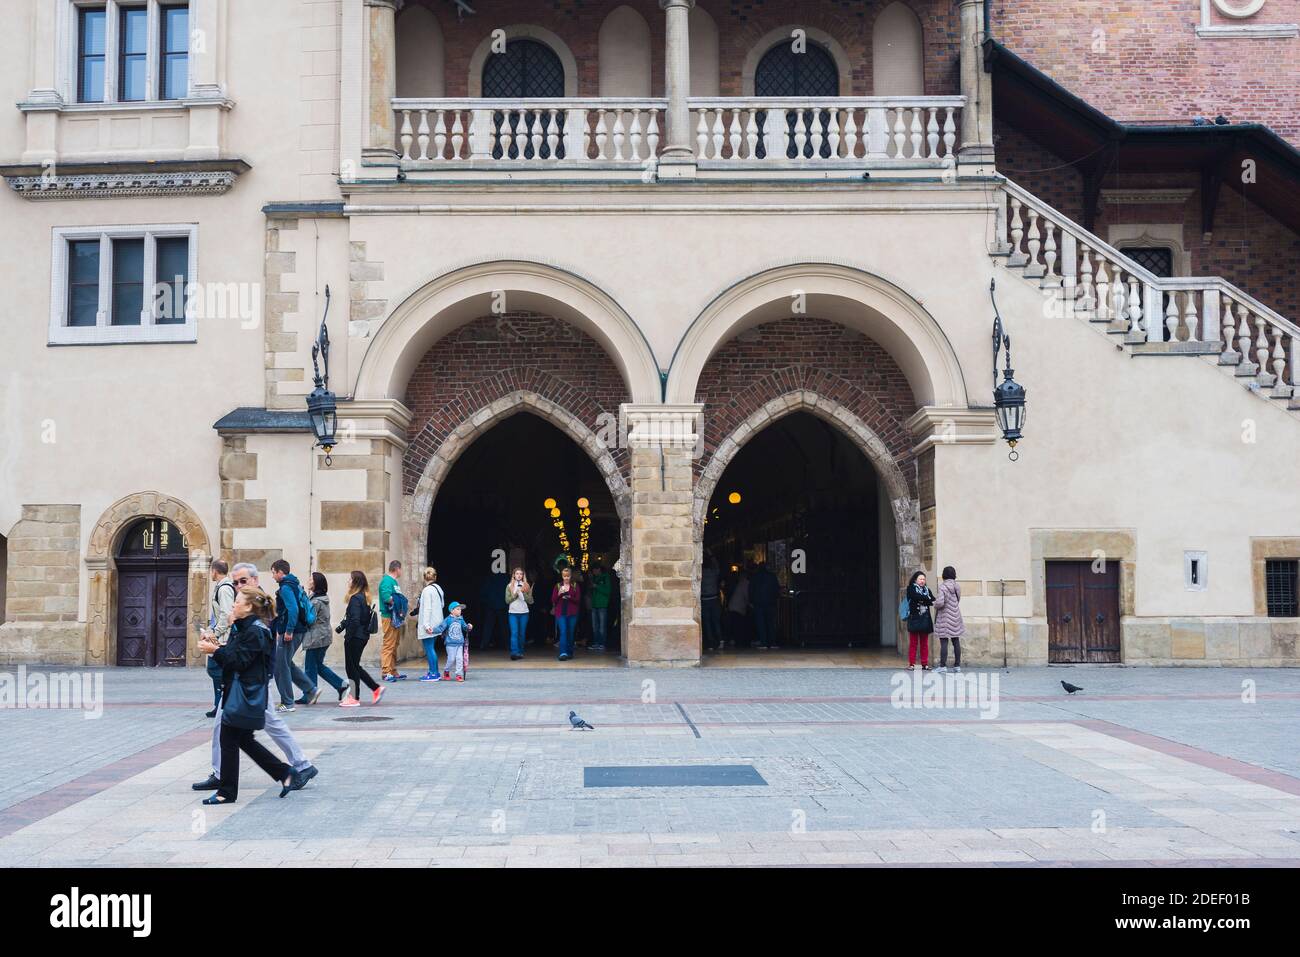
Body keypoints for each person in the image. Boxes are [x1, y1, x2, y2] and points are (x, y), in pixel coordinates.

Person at [191, 563, 316, 795]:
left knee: (248, 730)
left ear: (255, 581)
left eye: (242, 581)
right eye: (235, 582)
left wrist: (217, 648)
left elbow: (248, 653)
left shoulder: (257, 613)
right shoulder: (246, 613)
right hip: (241, 683)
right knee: (232, 730)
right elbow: (241, 650)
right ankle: (225, 776)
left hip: (250, 684)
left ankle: (297, 767)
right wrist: (219, 642)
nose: (237, 586)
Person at [270, 559, 315, 711]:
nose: (272, 576)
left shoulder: (286, 588)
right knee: (286, 663)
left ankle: (288, 703)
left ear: (280, 572)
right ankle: (310, 690)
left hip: (292, 632)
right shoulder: (294, 584)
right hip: (298, 630)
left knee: (280, 666)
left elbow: (293, 609)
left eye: (273, 572)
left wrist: (288, 630)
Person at [338, 570, 384, 707]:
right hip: (361, 636)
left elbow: (355, 620)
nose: (348, 582)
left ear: (355, 582)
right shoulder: (364, 597)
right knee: (355, 666)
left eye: (350, 579)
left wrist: (348, 636)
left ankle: (354, 697)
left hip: (355, 637)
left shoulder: (355, 598)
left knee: (351, 667)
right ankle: (375, 688)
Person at [300, 572, 348, 701]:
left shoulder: (316, 601)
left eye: (311, 579)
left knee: (310, 667)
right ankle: (341, 686)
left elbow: (310, 620)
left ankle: (309, 694)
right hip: (322, 636)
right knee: (318, 666)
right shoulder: (319, 598)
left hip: (316, 638)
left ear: (316, 583)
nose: (308, 580)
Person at [204, 560, 236, 717]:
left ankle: (222, 704)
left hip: (224, 637)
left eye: (211, 571)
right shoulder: (221, 587)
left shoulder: (224, 589)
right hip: (220, 634)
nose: (211, 574)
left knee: (215, 669)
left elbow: (225, 614)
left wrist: (215, 633)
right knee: (215, 669)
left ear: (215, 571)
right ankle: (220, 704)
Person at [378, 560, 407, 681]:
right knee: (389, 644)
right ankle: (386, 672)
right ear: (397, 569)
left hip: (395, 617)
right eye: (401, 569)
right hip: (389, 616)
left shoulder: (394, 582)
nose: (401, 571)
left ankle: (393, 670)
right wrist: (398, 603)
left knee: (395, 644)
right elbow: (386, 597)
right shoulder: (386, 581)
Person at [933, 565, 964, 674]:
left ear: (944, 575)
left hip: (944, 617)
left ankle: (942, 666)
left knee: (944, 641)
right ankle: (957, 665)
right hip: (955, 616)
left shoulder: (943, 587)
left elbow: (940, 603)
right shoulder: (957, 586)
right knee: (956, 640)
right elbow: (958, 599)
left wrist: (934, 604)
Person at [417, 566, 446, 681]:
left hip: (429, 623)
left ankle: (433, 673)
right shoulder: (439, 589)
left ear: (424, 578)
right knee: (431, 647)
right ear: (435, 577)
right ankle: (434, 671)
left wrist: (426, 625)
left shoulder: (427, 590)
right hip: (437, 622)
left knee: (429, 648)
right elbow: (442, 605)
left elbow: (427, 609)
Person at [904, 570, 936, 671]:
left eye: (923, 579)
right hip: (914, 618)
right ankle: (911, 664)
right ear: (915, 580)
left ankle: (924, 664)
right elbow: (914, 597)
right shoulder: (911, 588)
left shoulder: (927, 589)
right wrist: (926, 598)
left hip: (925, 619)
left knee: (924, 643)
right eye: (920, 579)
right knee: (913, 643)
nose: (922, 581)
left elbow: (932, 600)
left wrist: (924, 599)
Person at [551, 566, 581, 661]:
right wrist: (559, 594)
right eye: (564, 576)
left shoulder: (575, 586)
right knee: (563, 631)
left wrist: (569, 597)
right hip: (560, 613)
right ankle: (563, 653)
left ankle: (569, 652)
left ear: (571, 576)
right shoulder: (558, 586)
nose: (566, 578)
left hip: (572, 613)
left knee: (570, 633)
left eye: (568, 576)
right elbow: (553, 600)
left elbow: (578, 599)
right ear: (562, 576)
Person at [749, 562, 780, 650]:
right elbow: (776, 589)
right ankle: (772, 642)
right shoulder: (772, 576)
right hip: (770, 602)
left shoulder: (755, 577)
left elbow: (751, 590)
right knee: (770, 623)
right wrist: (775, 598)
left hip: (758, 603)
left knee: (761, 624)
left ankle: (764, 643)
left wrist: (751, 601)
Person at [505, 567, 533, 661]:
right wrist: (516, 594)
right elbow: (507, 600)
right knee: (514, 633)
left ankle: (520, 652)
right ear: (514, 575)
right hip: (513, 613)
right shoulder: (509, 586)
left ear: (523, 575)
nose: (519, 575)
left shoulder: (526, 585)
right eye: (517, 574)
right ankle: (514, 653)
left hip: (524, 613)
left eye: (521, 574)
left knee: (522, 633)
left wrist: (523, 593)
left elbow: (531, 600)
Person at [478, 569, 509, 651]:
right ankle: (507, 644)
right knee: (504, 626)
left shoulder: (490, 578)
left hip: (491, 604)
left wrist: (486, 600)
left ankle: (484, 644)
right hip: (501, 604)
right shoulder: (505, 577)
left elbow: (484, 591)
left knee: (489, 626)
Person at [442, 601, 472, 681]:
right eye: (458, 609)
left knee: (459, 659)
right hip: (450, 643)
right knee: (451, 659)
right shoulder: (448, 620)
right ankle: (446, 671)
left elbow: (465, 628)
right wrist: (433, 630)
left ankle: (459, 675)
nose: (460, 611)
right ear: (452, 611)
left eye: (460, 609)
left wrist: (469, 627)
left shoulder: (461, 619)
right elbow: (441, 627)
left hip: (459, 643)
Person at [700, 553, 722, 653]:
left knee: (707, 623)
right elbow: (718, 568)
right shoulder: (713, 573)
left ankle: (711, 643)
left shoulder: (701, 573)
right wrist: (712, 556)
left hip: (705, 599)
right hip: (714, 599)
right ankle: (720, 640)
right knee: (716, 621)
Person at [589, 563, 612, 652]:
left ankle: (602, 644)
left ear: (599, 569)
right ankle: (596, 643)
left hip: (602, 605)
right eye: (593, 571)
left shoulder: (606, 577)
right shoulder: (594, 578)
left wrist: (597, 586)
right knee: (595, 626)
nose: (594, 572)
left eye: (595, 570)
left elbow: (608, 591)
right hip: (594, 605)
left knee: (602, 626)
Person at [726, 567, 750, 648]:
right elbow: (746, 595)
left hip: (733, 606)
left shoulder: (739, 583)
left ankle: (735, 640)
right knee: (738, 625)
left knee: (735, 625)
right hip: (738, 608)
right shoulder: (745, 583)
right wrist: (749, 603)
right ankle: (739, 641)